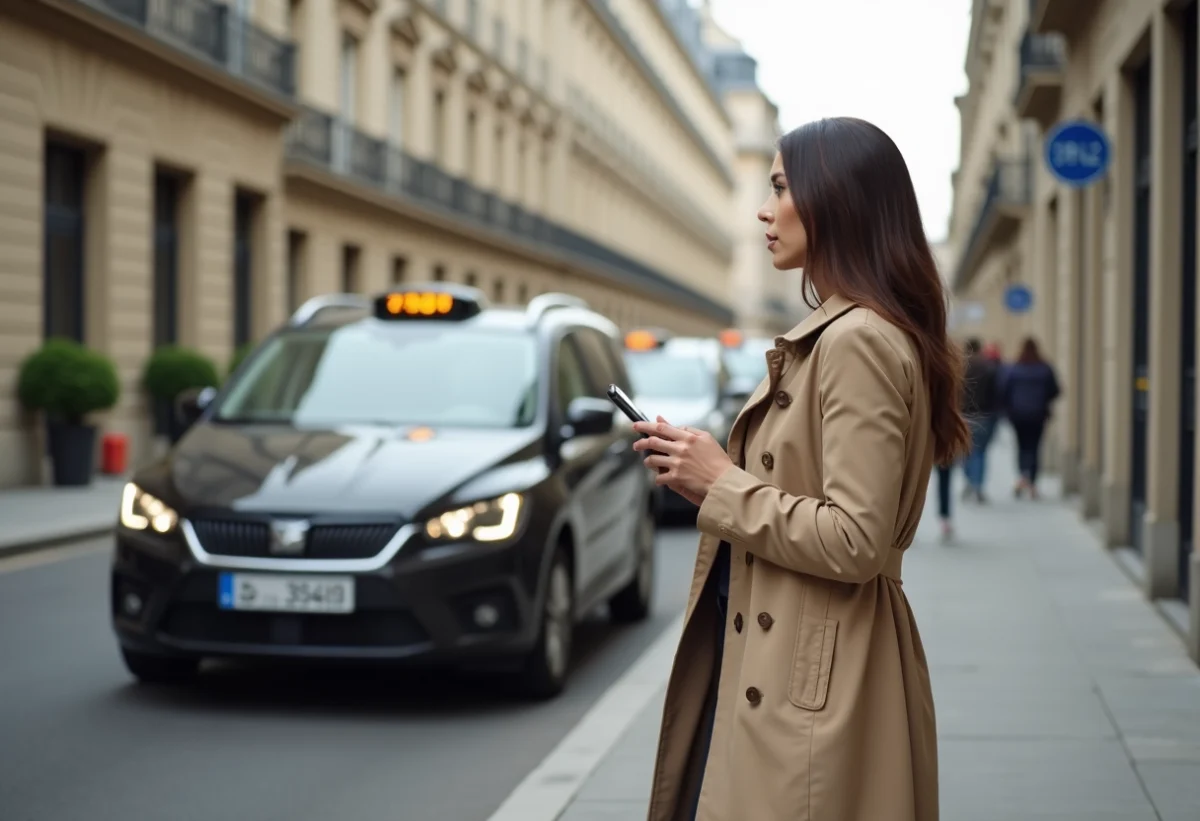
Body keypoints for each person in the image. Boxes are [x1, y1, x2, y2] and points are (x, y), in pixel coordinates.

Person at [632, 117, 969, 821]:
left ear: (836, 200)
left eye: (781, 187)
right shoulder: (850, 333)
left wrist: (718, 481)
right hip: (794, 661)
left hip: (813, 679)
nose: (764, 208)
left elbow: (856, 536)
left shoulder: (858, 342)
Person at [1000, 337, 1060, 499]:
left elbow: (1004, 390)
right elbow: (1055, 390)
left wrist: (1008, 409)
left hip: (1018, 415)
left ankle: (1022, 476)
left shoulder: (1014, 368)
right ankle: (1032, 483)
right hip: (1038, 415)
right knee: (1034, 447)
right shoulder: (1045, 368)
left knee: (1021, 446)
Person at [960, 337, 1002, 502]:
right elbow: (996, 393)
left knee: (966, 451)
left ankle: (970, 480)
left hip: (964, 415)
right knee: (981, 452)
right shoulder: (988, 368)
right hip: (985, 415)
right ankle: (977, 485)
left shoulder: (960, 368)